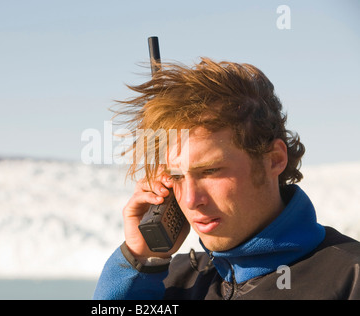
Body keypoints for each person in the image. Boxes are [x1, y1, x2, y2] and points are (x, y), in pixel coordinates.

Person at [92, 58, 360, 300]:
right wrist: (140, 261)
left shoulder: (351, 279)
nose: (190, 199)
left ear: (274, 159)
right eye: (176, 176)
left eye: (210, 171)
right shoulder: (170, 281)